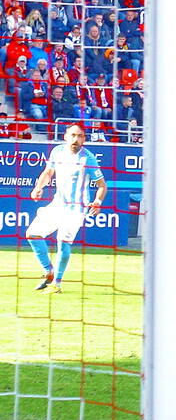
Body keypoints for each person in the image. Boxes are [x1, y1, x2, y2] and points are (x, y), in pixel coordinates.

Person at [27, 124, 107, 294]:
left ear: (84, 139)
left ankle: (57, 283)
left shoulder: (88, 158)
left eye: (79, 136)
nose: (76, 139)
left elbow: (102, 185)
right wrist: (38, 187)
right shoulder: (57, 151)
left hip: (76, 209)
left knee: (63, 242)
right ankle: (49, 271)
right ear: (65, 136)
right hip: (57, 204)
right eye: (73, 135)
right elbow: (48, 172)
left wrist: (98, 201)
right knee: (32, 234)